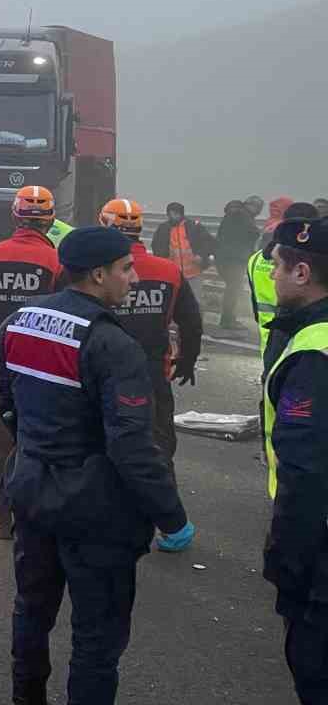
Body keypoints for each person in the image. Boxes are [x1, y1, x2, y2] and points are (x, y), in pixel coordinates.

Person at [0, 226, 191, 705]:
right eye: (126, 268)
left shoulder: (20, 321)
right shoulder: (112, 343)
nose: (133, 277)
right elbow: (132, 446)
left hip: (31, 490)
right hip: (94, 509)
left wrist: (38, 454)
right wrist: (171, 515)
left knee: (32, 609)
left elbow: (5, 403)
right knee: (98, 630)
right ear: (99, 274)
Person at [262, 220, 328, 705]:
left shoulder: (313, 350)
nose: (274, 276)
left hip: (322, 538)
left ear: (301, 271)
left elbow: (304, 471)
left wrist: (286, 558)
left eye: (278, 267)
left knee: (315, 658)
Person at [0, 185, 63, 540]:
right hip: (45, 368)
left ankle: (1, 515)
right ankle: (38, 510)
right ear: (50, 219)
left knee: (0, 442)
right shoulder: (56, 262)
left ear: (14, 215)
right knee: (42, 440)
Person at [99, 197, 203, 494]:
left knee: (102, 446)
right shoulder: (167, 270)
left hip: (101, 374)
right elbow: (191, 321)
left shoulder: (94, 272)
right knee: (158, 446)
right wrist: (187, 360)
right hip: (153, 373)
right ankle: (169, 521)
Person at [253, 202, 320, 353]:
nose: (273, 274)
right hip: (303, 345)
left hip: (272, 346)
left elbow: (255, 307)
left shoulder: (255, 259)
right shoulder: (315, 261)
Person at [150, 203, 214, 304]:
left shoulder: (194, 227)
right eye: (170, 214)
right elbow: (156, 247)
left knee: (195, 302)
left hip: (194, 273)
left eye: (176, 213)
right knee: (174, 303)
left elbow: (209, 242)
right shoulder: (163, 229)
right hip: (172, 274)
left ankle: (195, 319)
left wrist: (201, 255)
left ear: (181, 214)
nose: (173, 216)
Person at [215, 198, 261, 331]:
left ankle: (229, 318)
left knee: (233, 288)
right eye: (256, 207)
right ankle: (228, 320)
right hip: (234, 258)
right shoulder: (243, 216)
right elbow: (252, 233)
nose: (257, 210)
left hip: (226, 257)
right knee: (233, 289)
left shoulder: (233, 215)